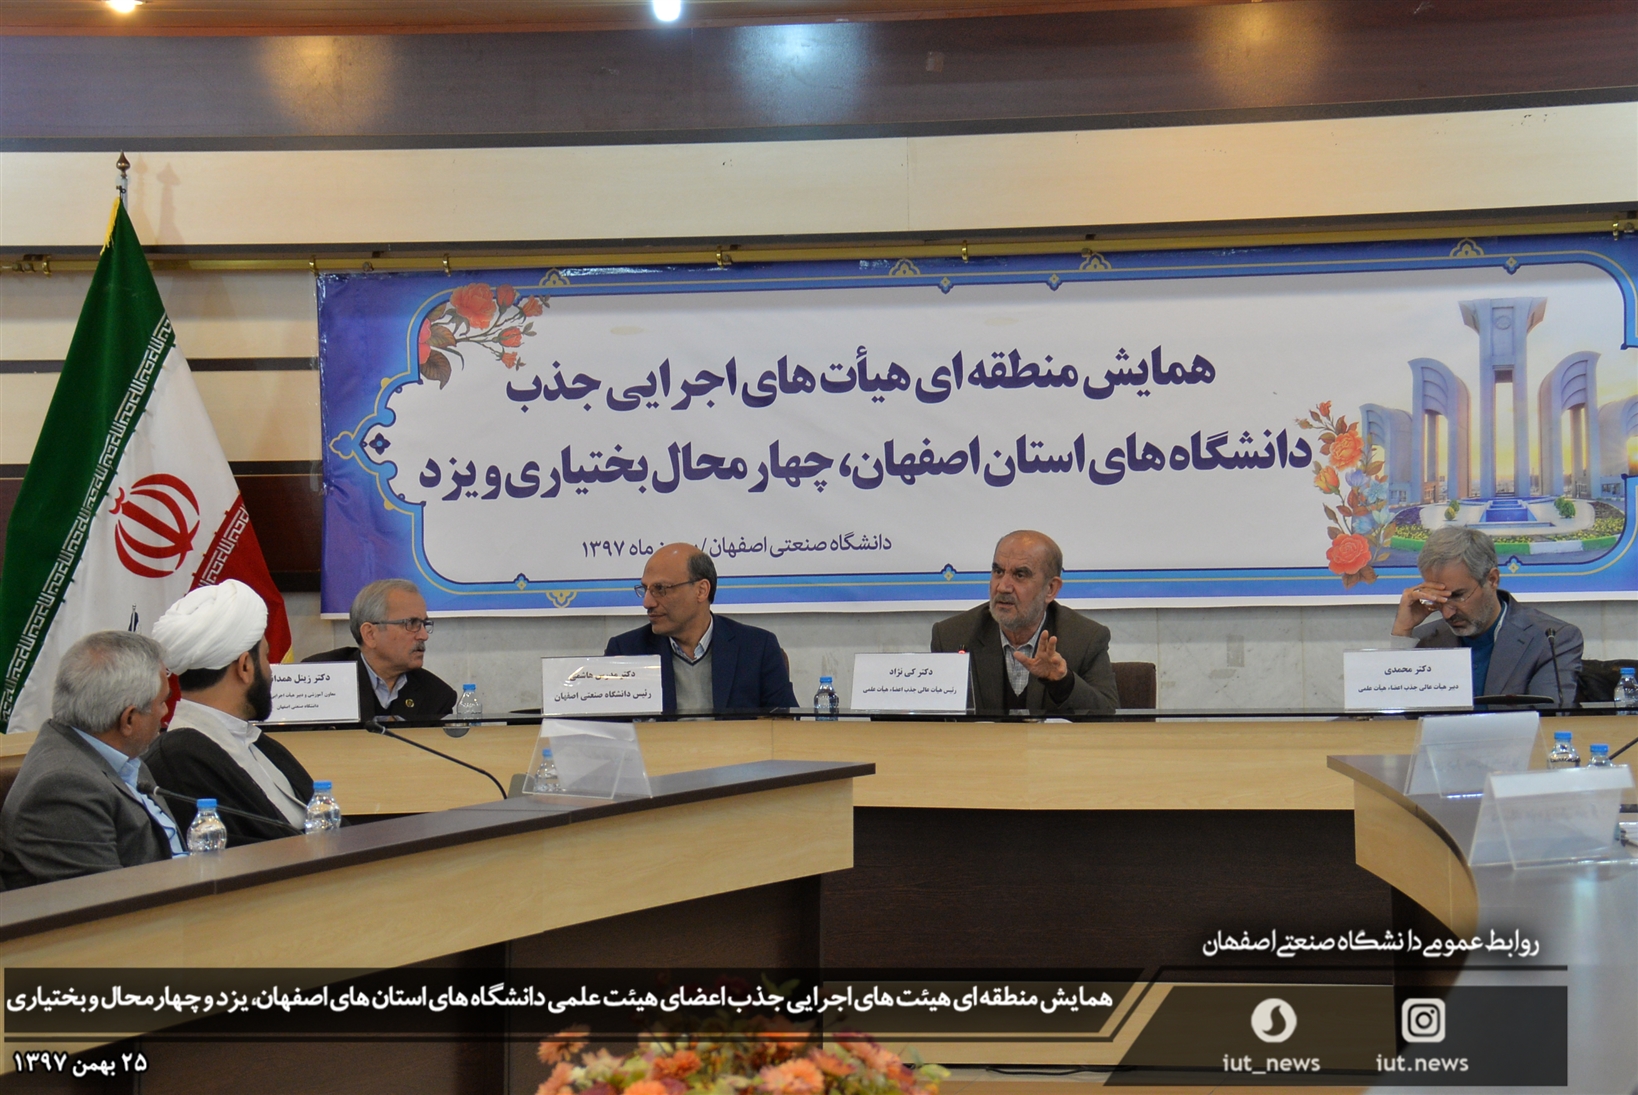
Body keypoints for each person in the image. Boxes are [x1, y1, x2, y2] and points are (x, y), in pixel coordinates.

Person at [0, 631, 184, 888]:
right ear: (129, 719)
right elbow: (107, 901)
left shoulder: (121, 754)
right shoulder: (64, 789)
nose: (165, 712)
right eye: (162, 702)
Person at [143, 580, 314, 843]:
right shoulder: (179, 761)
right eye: (266, 657)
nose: (270, 671)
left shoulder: (255, 742)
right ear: (245, 667)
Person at [931, 530, 1120, 715]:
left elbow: (1110, 718)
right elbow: (935, 721)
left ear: (1050, 589)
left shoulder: (1086, 638)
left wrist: (1063, 683)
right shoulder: (951, 636)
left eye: (1019, 575)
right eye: (998, 572)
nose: (1002, 587)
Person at [1392, 526, 1583, 706]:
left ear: (1492, 580)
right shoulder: (1424, 641)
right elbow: (1392, 722)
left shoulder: (1550, 640)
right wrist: (1402, 632)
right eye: (1438, 599)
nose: (1448, 613)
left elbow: (1550, 719)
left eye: (1458, 596)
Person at [605, 543, 798, 714]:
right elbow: (609, 732)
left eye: (660, 589)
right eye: (645, 589)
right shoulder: (626, 651)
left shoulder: (757, 648)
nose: (647, 602)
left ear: (701, 590)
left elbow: (787, 726)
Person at [305, 579, 456, 722]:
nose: (423, 635)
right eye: (411, 623)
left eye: (424, 624)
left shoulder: (436, 696)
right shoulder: (317, 680)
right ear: (370, 634)